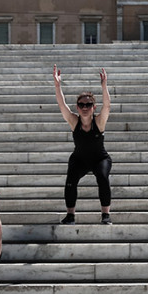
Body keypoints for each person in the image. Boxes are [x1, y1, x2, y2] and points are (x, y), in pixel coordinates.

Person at [52, 66, 113, 225]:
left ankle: (105, 214)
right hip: (79, 159)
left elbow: (107, 107)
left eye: (88, 104)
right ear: (77, 107)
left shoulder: (98, 122)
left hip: (100, 159)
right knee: (70, 179)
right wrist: (58, 86)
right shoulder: (74, 121)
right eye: (81, 104)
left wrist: (104, 86)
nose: (85, 107)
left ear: (93, 107)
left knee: (102, 177)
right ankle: (70, 215)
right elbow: (62, 106)